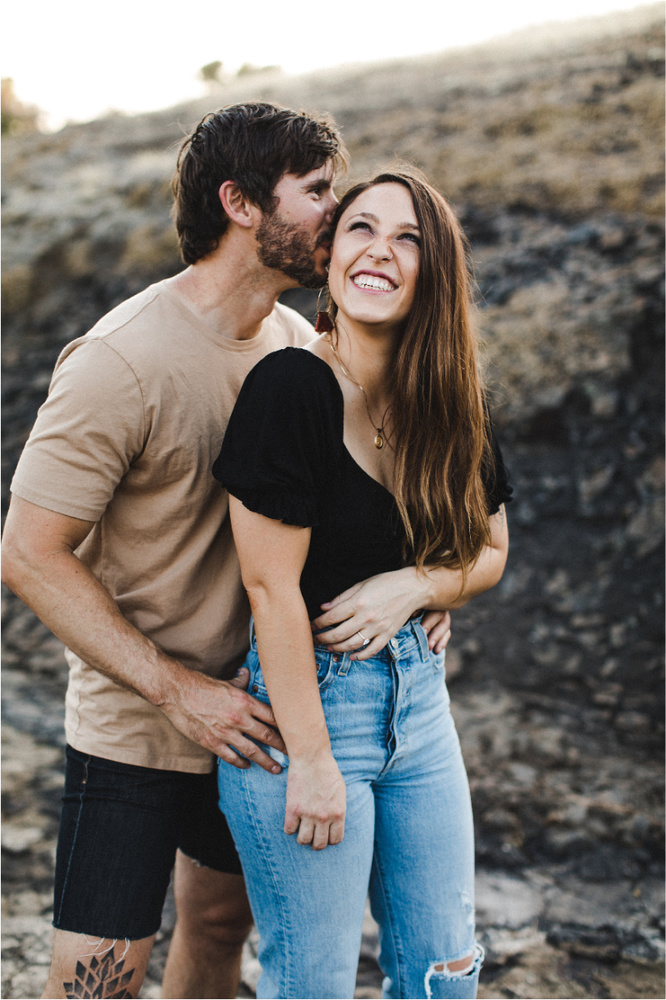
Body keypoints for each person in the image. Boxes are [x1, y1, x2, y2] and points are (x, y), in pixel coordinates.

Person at [2, 104, 451, 1000]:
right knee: (99, 981)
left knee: (215, 931)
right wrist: (177, 690)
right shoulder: (119, 360)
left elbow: (349, 508)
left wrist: (414, 590)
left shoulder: (297, 348)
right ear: (241, 203)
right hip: (138, 721)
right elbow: (28, 555)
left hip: (262, 716)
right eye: (320, 192)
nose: (339, 211)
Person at [212, 169, 512, 999]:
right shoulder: (292, 390)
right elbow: (271, 591)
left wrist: (414, 589)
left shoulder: (445, 398)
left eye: (409, 238)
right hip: (310, 714)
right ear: (332, 257)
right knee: (313, 985)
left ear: (434, 271)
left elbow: (491, 550)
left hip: (418, 707)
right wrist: (309, 761)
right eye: (360, 230)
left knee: (445, 975)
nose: (382, 251)